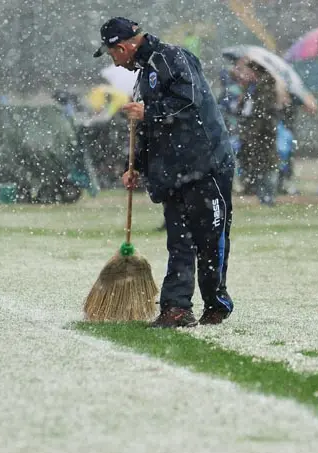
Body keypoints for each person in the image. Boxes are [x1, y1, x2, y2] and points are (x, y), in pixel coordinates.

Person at [93, 17, 235, 327]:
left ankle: (216, 303)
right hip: (174, 173)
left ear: (123, 46)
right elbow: (150, 131)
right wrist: (136, 169)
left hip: (205, 166)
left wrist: (149, 110)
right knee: (179, 242)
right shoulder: (143, 75)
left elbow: (189, 102)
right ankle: (176, 308)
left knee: (210, 241)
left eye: (112, 54)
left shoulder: (172, 57)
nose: (115, 62)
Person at [233, 57, 281, 205]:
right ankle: (261, 195)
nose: (244, 74)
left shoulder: (265, 86)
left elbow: (262, 112)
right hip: (251, 133)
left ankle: (268, 197)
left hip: (263, 133)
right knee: (256, 164)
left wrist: (253, 131)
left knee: (267, 164)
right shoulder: (251, 87)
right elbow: (245, 110)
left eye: (247, 70)